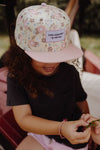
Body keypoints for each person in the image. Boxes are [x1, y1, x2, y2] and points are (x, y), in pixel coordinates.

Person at [3, 3, 91, 150]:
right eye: (44, 56)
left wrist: (86, 120)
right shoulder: (16, 78)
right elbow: (24, 118)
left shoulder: (69, 72)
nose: (53, 62)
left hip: (72, 139)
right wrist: (61, 128)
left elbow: (81, 104)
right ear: (23, 53)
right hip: (41, 133)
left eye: (57, 55)